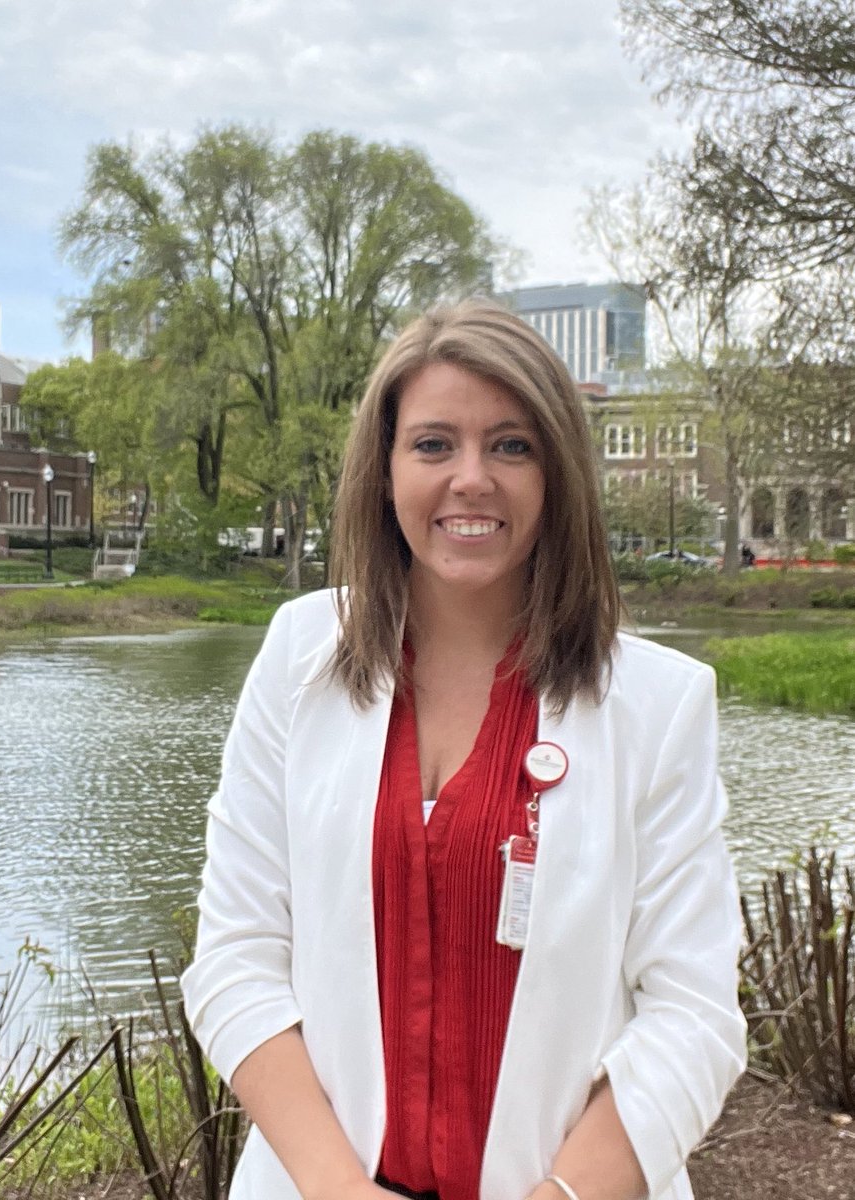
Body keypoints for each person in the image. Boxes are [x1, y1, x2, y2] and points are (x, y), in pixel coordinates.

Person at [181, 299, 746, 1200]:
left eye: (511, 446)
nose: (470, 478)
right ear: (386, 470)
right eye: (434, 444)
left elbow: (696, 1018)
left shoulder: (657, 705)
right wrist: (338, 1188)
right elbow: (235, 960)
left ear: (556, 472)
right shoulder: (300, 657)